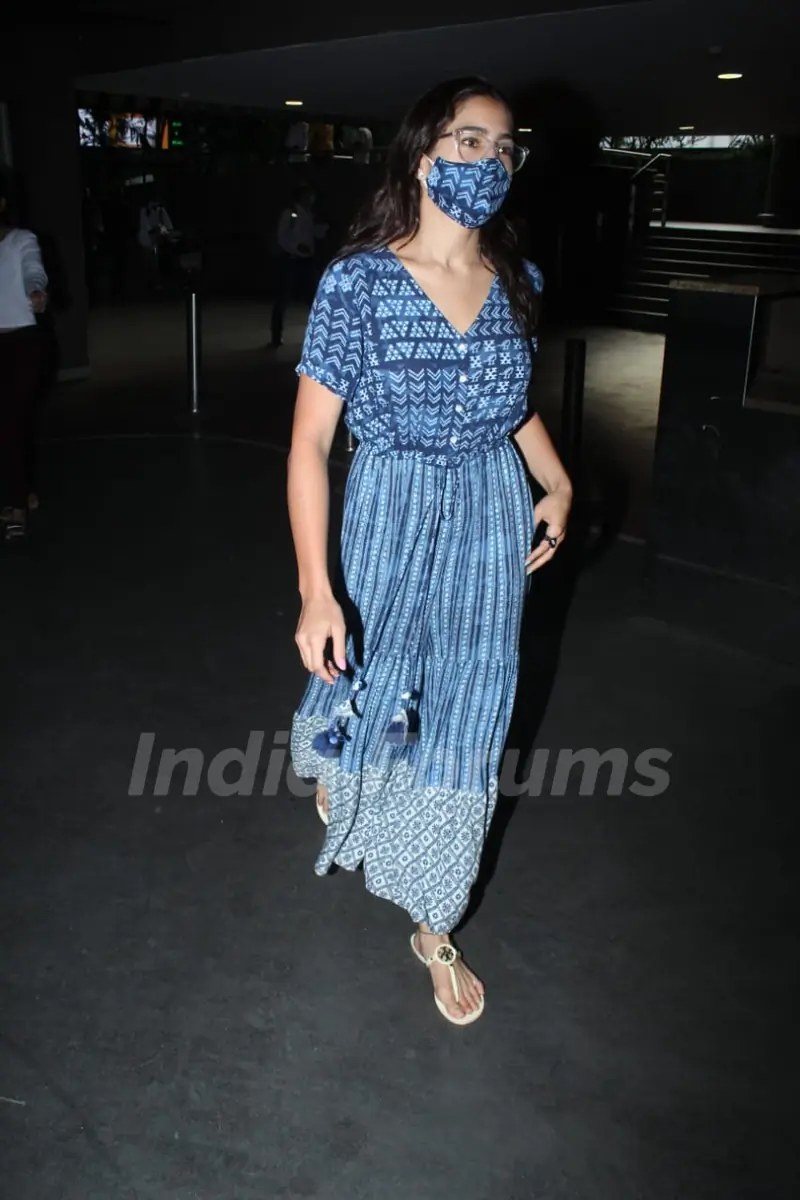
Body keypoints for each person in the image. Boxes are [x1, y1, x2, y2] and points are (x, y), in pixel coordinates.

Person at [286, 78, 573, 1025]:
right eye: (468, 140)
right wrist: (315, 590)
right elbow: (309, 445)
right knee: (369, 676)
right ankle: (344, 768)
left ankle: (434, 920)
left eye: (503, 147)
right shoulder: (359, 282)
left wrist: (557, 481)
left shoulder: (519, 281)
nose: (488, 160)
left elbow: (512, 406)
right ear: (421, 154)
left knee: (469, 714)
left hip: (491, 514)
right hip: (390, 504)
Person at [0, 175, 48, 541]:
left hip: (22, 343)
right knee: (9, 424)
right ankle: (22, 489)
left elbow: (34, 268)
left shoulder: (21, 240)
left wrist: (36, 290)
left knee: (11, 422)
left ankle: (16, 507)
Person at [270, 185, 328, 348]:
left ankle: (319, 334)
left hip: (307, 260)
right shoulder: (290, 213)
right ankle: (276, 336)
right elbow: (282, 236)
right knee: (283, 298)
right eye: (309, 195)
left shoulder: (310, 214)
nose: (312, 199)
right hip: (291, 260)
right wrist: (297, 247)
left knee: (313, 298)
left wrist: (323, 228)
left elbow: (315, 234)